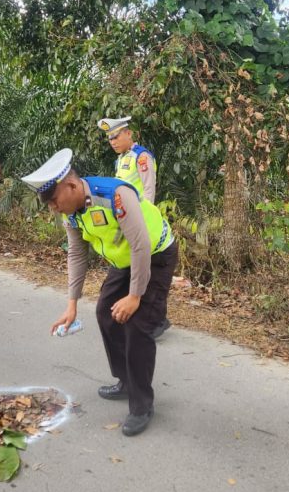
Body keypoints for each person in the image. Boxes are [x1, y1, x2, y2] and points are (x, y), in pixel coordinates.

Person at [23, 149, 178, 437]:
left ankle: (142, 404)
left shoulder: (116, 196)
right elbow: (77, 255)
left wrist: (135, 297)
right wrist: (71, 305)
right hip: (124, 261)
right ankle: (126, 380)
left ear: (71, 186)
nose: (53, 208)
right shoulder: (71, 213)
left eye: (55, 201)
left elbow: (141, 245)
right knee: (105, 313)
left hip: (155, 255)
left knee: (139, 326)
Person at [98, 115, 170, 339]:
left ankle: (157, 319)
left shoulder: (142, 157)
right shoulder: (121, 159)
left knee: (147, 270)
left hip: (141, 220)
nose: (112, 141)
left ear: (129, 133)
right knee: (132, 268)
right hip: (125, 219)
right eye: (109, 138)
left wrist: (145, 220)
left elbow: (149, 191)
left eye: (116, 136)